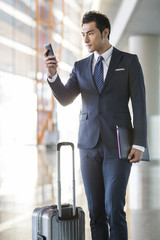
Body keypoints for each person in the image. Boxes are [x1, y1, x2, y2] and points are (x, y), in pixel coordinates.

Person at [44, 11, 147, 240]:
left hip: (118, 147)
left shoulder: (129, 62)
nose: (86, 40)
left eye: (90, 33)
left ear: (105, 32)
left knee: (114, 208)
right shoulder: (80, 67)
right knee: (96, 212)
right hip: (88, 147)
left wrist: (139, 143)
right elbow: (65, 98)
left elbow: (139, 105)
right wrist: (53, 76)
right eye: (83, 34)